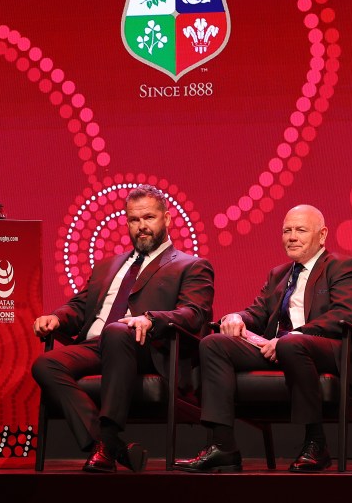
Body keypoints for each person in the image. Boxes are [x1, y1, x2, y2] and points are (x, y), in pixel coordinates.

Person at [31, 186, 215, 473]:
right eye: (133, 220)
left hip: (146, 347)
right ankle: (111, 446)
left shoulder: (190, 265)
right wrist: (56, 318)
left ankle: (106, 439)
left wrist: (151, 319)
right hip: (97, 345)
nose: (141, 227)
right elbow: (80, 307)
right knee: (46, 364)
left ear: (167, 219)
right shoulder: (108, 265)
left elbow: (194, 314)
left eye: (149, 218)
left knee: (118, 331)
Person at [176, 204, 352, 473]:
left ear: (322, 235)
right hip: (279, 348)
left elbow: (347, 314)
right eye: (286, 230)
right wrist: (236, 317)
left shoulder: (343, 266)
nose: (291, 236)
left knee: (291, 343)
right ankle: (224, 446)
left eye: (300, 230)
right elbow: (258, 312)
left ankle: (316, 443)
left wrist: (295, 335)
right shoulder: (279, 274)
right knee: (213, 343)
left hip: (327, 349)